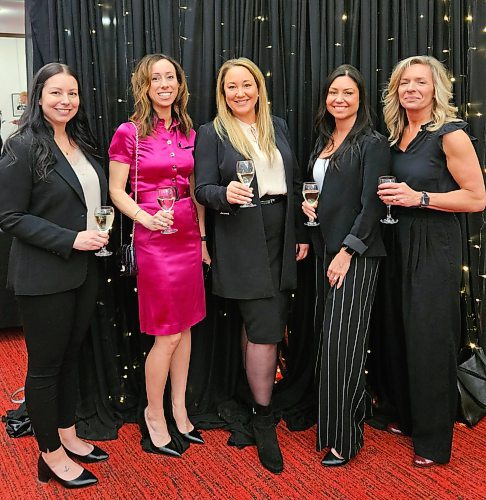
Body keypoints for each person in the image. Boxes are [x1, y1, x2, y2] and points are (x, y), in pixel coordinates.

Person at [194, 57, 309, 474]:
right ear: (222, 94)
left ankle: (254, 400)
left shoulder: (277, 125)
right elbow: (201, 189)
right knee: (264, 324)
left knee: (261, 320)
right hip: (241, 234)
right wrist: (225, 194)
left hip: (281, 232)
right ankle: (263, 416)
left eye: (246, 85)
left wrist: (300, 232)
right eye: (231, 87)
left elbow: (294, 184)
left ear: (258, 87)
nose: (239, 93)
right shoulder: (212, 133)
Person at [0, 63, 109, 488]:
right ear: (39, 96)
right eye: (56, 93)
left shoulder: (78, 141)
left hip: (84, 271)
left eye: (73, 93)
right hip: (44, 274)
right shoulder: (21, 145)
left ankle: (67, 435)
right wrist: (70, 239)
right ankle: (49, 455)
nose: (66, 101)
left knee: (69, 358)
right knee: (45, 366)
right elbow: (8, 217)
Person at [378, 55, 486, 467]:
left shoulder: (450, 133)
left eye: (420, 82)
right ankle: (407, 417)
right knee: (400, 332)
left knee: (430, 341)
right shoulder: (397, 132)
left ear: (436, 88)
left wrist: (421, 198)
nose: (411, 89)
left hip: (435, 245)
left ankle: (433, 441)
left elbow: (477, 198)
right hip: (398, 241)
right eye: (405, 83)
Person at [109, 54, 208, 457]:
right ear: (144, 85)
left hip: (185, 231)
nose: (164, 83)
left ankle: (179, 410)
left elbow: (195, 187)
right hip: (153, 235)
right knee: (167, 333)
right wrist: (145, 219)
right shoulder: (128, 132)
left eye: (170, 76)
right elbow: (117, 191)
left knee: (186, 329)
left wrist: (201, 238)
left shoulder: (190, 131)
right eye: (156, 78)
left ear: (179, 84)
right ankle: (153, 414)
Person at [302, 64, 391, 466]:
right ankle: (336, 421)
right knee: (330, 344)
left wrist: (348, 251)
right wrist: (311, 208)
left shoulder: (372, 143)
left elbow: (373, 205)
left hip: (353, 256)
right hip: (325, 252)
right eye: (333, 92)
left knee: (344, 349)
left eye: (348, 93)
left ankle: (345, 439)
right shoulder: (323, 139)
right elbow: (329, 197)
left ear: (360, 99)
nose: (340, 98)